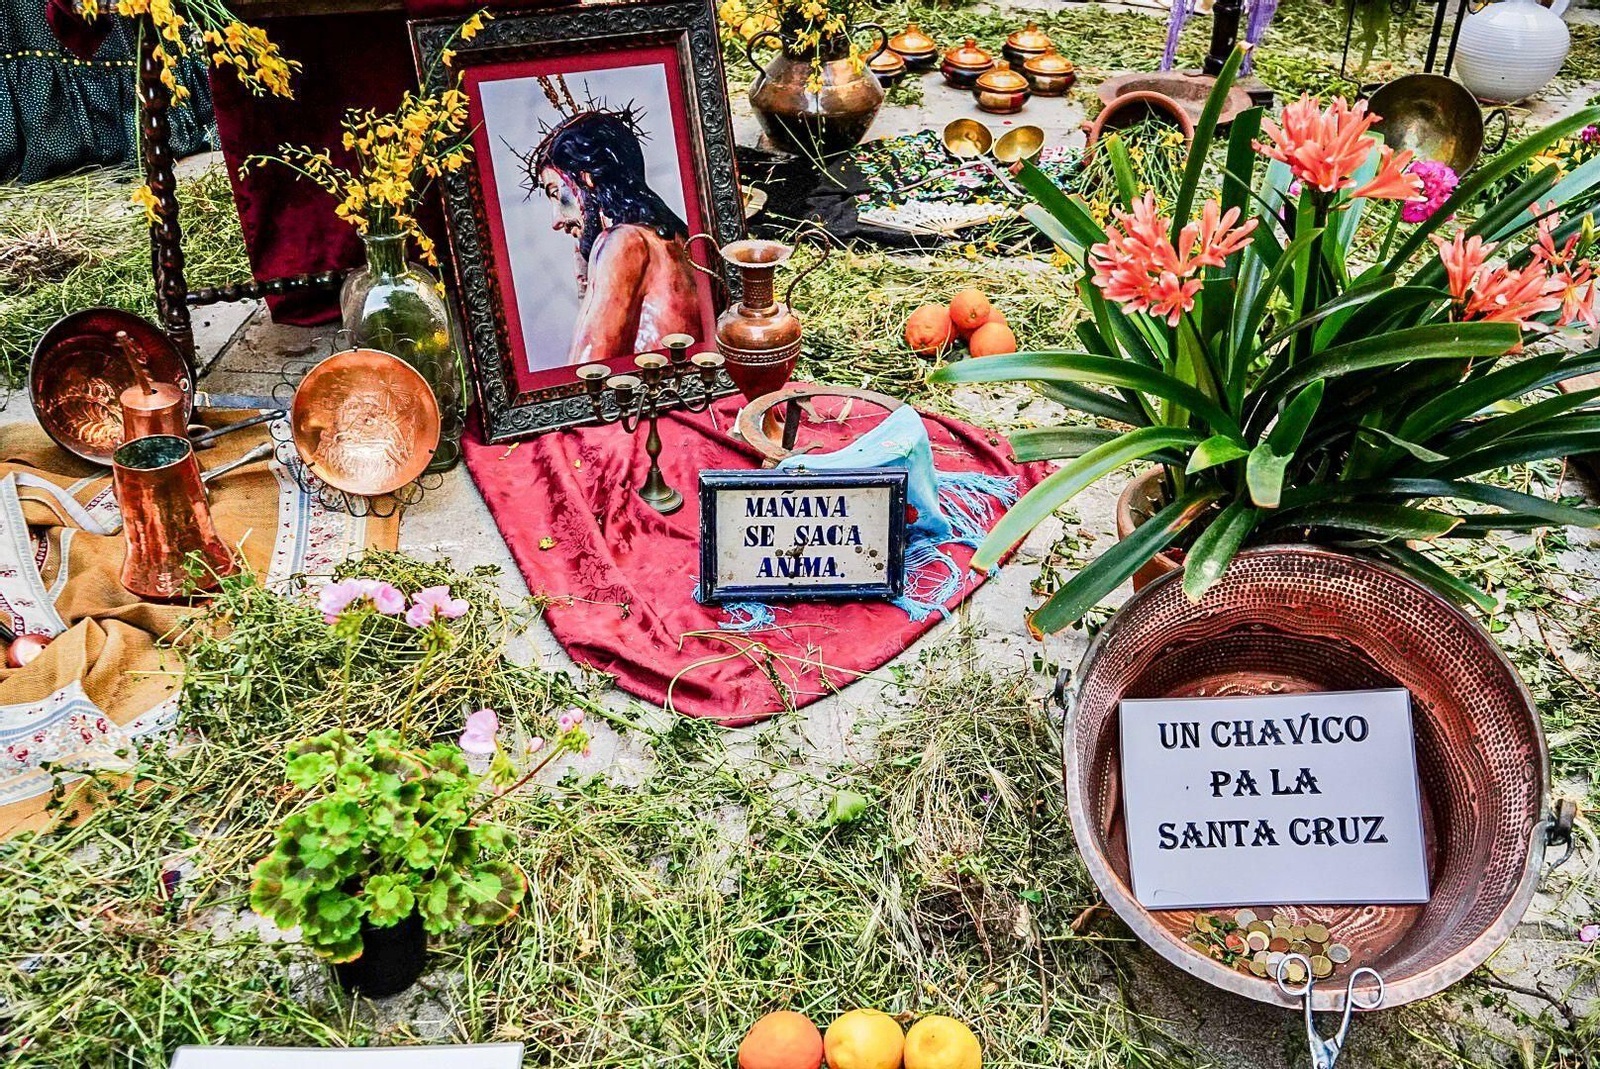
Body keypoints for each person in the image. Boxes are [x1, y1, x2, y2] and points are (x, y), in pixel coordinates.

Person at [521, 102, 701, 366]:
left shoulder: (626, 241)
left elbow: (586, 373)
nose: (556, 221)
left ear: (588, 179)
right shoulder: (677, 238)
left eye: (557, 194)